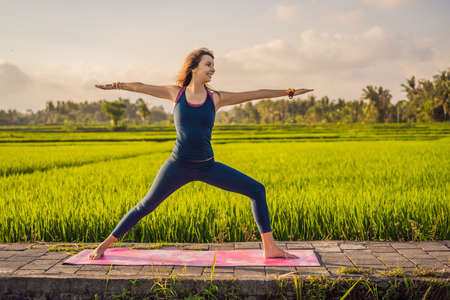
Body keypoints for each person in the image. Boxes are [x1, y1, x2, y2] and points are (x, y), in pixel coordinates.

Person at [89, 47, 313, 260]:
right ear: (194, 67)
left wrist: (289, 92)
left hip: (207, 166)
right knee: (145, 206)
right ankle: (103, 246)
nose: (213, 69)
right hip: (177, 166)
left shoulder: (216, 98)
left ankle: (270, 248)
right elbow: (140, 86)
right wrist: (115, 85)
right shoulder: (175, 93)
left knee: (256, 189)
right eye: (209, 65)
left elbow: (255, 94)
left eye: (213, 66)